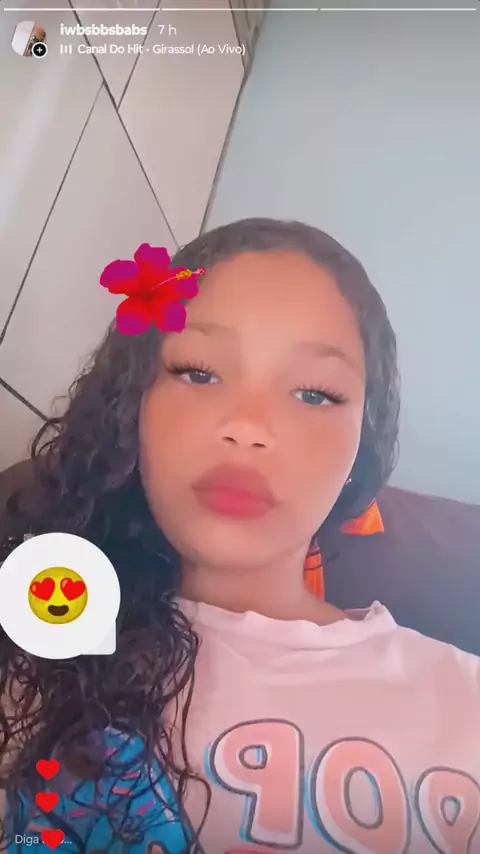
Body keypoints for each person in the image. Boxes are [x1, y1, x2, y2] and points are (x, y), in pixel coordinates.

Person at [1, 218, 479, 854]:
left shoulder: (466, 704)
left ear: (361, 445)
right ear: (131, 406)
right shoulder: (39, 634)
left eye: (315, 393)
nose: (248, 426)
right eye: (199, 372)